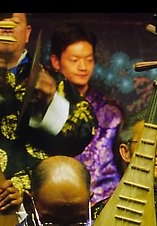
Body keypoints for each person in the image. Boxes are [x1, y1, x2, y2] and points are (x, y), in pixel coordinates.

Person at [0, 13, 96, 214]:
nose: (8, 27)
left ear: (27, 32)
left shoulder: (53, 81)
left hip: (38, 208)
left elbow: (81, 136)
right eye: (0, 20)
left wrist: (50, 101)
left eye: (15, 22)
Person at [49, 22, 124, 205]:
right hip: (58, 202)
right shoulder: (46, 107)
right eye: (74, 60)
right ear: (56, 61)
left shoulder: (111, 111)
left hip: (105, 203)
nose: (83, 67)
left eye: (89, 60)